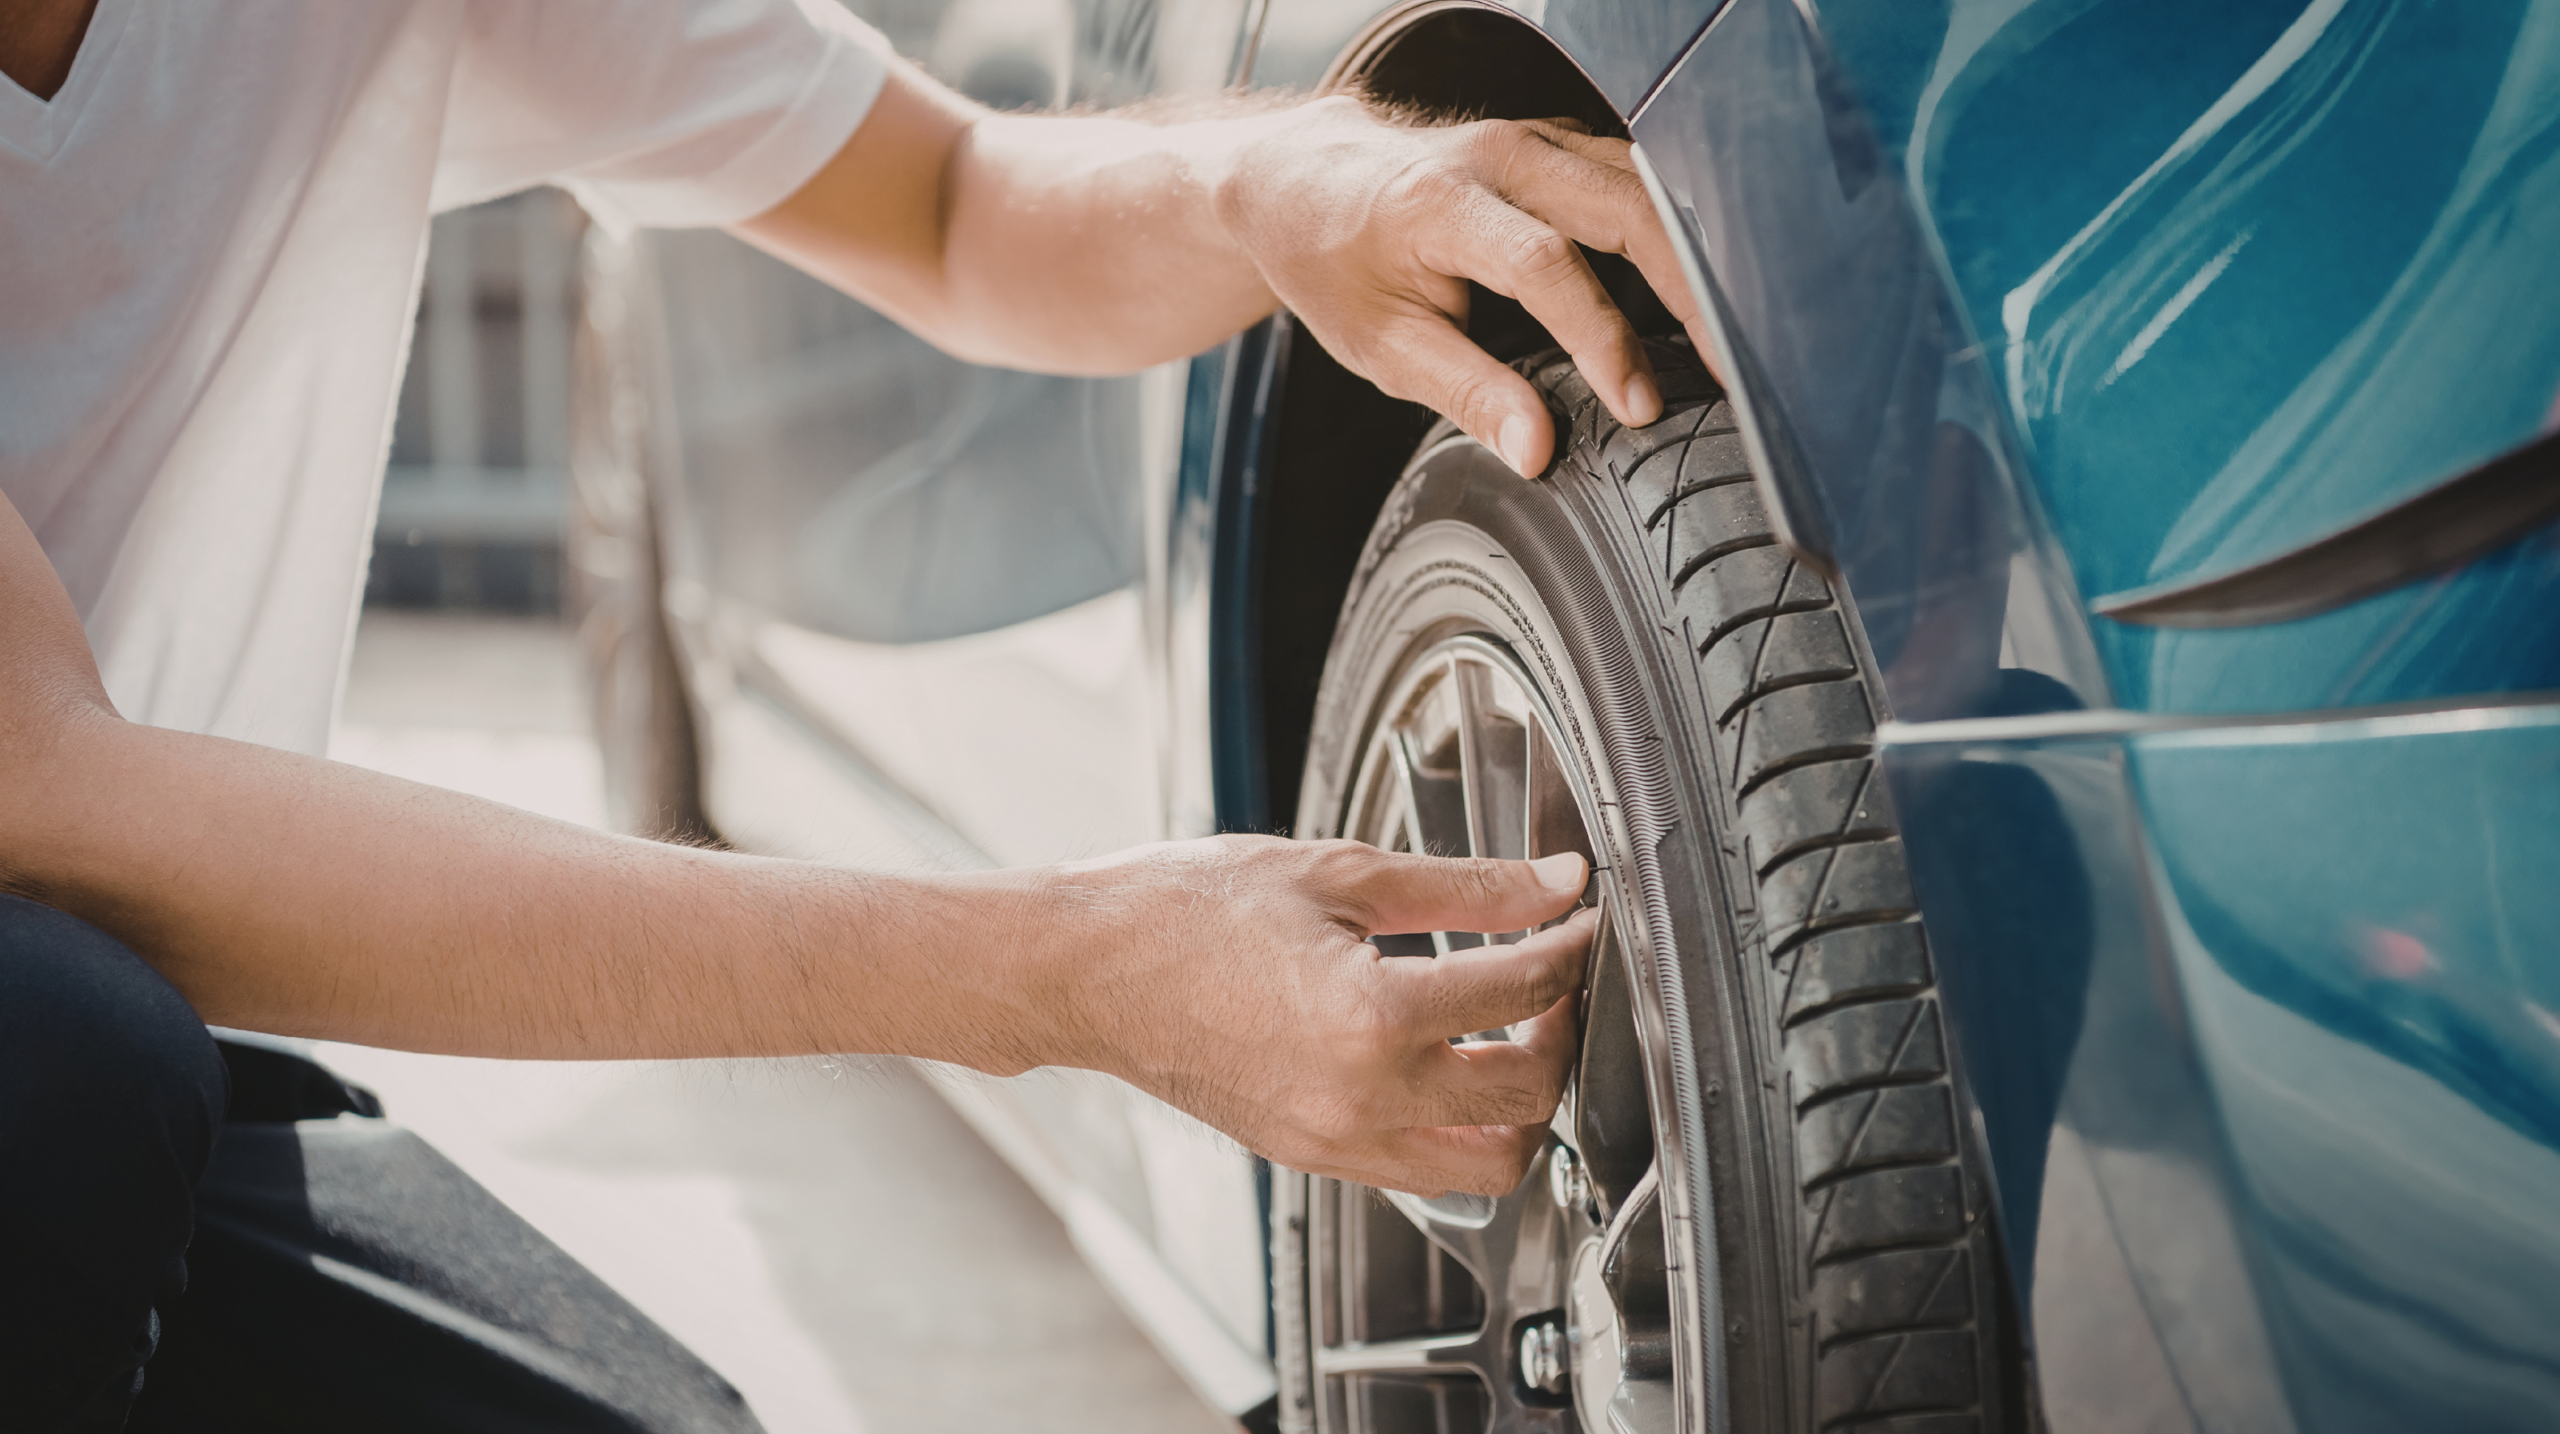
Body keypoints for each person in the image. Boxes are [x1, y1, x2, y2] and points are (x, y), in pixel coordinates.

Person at [0, 0, 1703, 1428]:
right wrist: (1069, 965)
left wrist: (1265, 182)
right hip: (60, 1047)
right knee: (66, 1062)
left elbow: (948, 197)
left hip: (152, 1087)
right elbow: (48, 798)